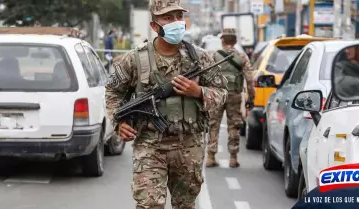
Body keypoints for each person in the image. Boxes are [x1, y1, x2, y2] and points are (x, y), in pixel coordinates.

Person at [105, 0, 228, 208]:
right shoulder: (135, 59)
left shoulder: (199, 58)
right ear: (155, 26)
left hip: (190, 144)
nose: (176, 22)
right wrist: (118, 122)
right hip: (150, 145)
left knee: (185, 205)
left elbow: (223, 92)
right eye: (168, 18)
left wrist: (198, 92)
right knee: (149, 205)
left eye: (179, 17)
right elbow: (112, 91)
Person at [206, 28, 255, 168]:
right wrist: (251, 97)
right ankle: (233, 158)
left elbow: (205, 75)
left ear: (222, 40)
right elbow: (250, 79)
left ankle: (210, 156)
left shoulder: (214, 55)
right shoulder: (241, 56)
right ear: (235, 41)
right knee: (234, 125)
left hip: (216, 95)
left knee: (213, 124)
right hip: (234, 95)